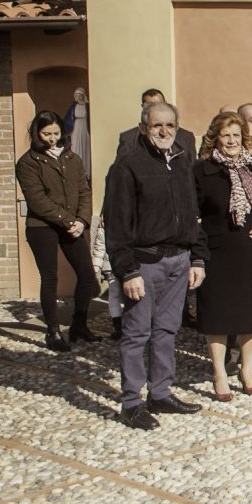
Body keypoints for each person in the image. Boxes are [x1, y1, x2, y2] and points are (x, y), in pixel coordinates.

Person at [104, 101, 207, 429]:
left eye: (170, 126)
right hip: (144, 263)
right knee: (136, 333)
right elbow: (117, 224)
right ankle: (131, 402)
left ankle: (160, 392)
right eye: (156, 126)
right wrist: (127, 270)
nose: (164, 132)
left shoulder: (181, 163)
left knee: (167, 331)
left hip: (179, 260)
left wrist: (198, 257)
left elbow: (193, 215)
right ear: (143, 128)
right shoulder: (127, 167)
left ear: (177, 127)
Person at [193, 112, 252, 401]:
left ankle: (247, 369)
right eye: (226, 135)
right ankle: (219, 372)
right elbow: (195, 214)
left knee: (251, 315)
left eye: (236, 135)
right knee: (218, 315)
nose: (231, 141)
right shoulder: (202, 171)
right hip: (218, 253)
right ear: (216, 137)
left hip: (251, 253)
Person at [16, 110, 101, 352]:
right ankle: (52, 331)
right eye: (46, 134)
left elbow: (84, 190)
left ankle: (79, 325)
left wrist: (82, 220)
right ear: (37, 133)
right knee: (50, 277)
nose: (52, 138)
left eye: (55, 133)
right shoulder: (28, 162)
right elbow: (37, 200)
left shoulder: (71, 158)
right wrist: (67, 220)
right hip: (42, 227)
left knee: (86, 274)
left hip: (72, 224)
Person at [116, 89, 196, 157]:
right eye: (149, 106)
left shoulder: (186, 138)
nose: (163, 132)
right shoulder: (129, 139)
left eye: (159, 105)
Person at [63, 88, 91, 178]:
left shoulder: (87, 106)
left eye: (79, 95)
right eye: (76, 95)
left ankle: (86, 171)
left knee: (86, 148)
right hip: (76, 128)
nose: (77, 97)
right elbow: (68, 119)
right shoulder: (73, 106)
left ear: (83, 96)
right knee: (76, 147)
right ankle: (76, 171)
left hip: (85, 128)